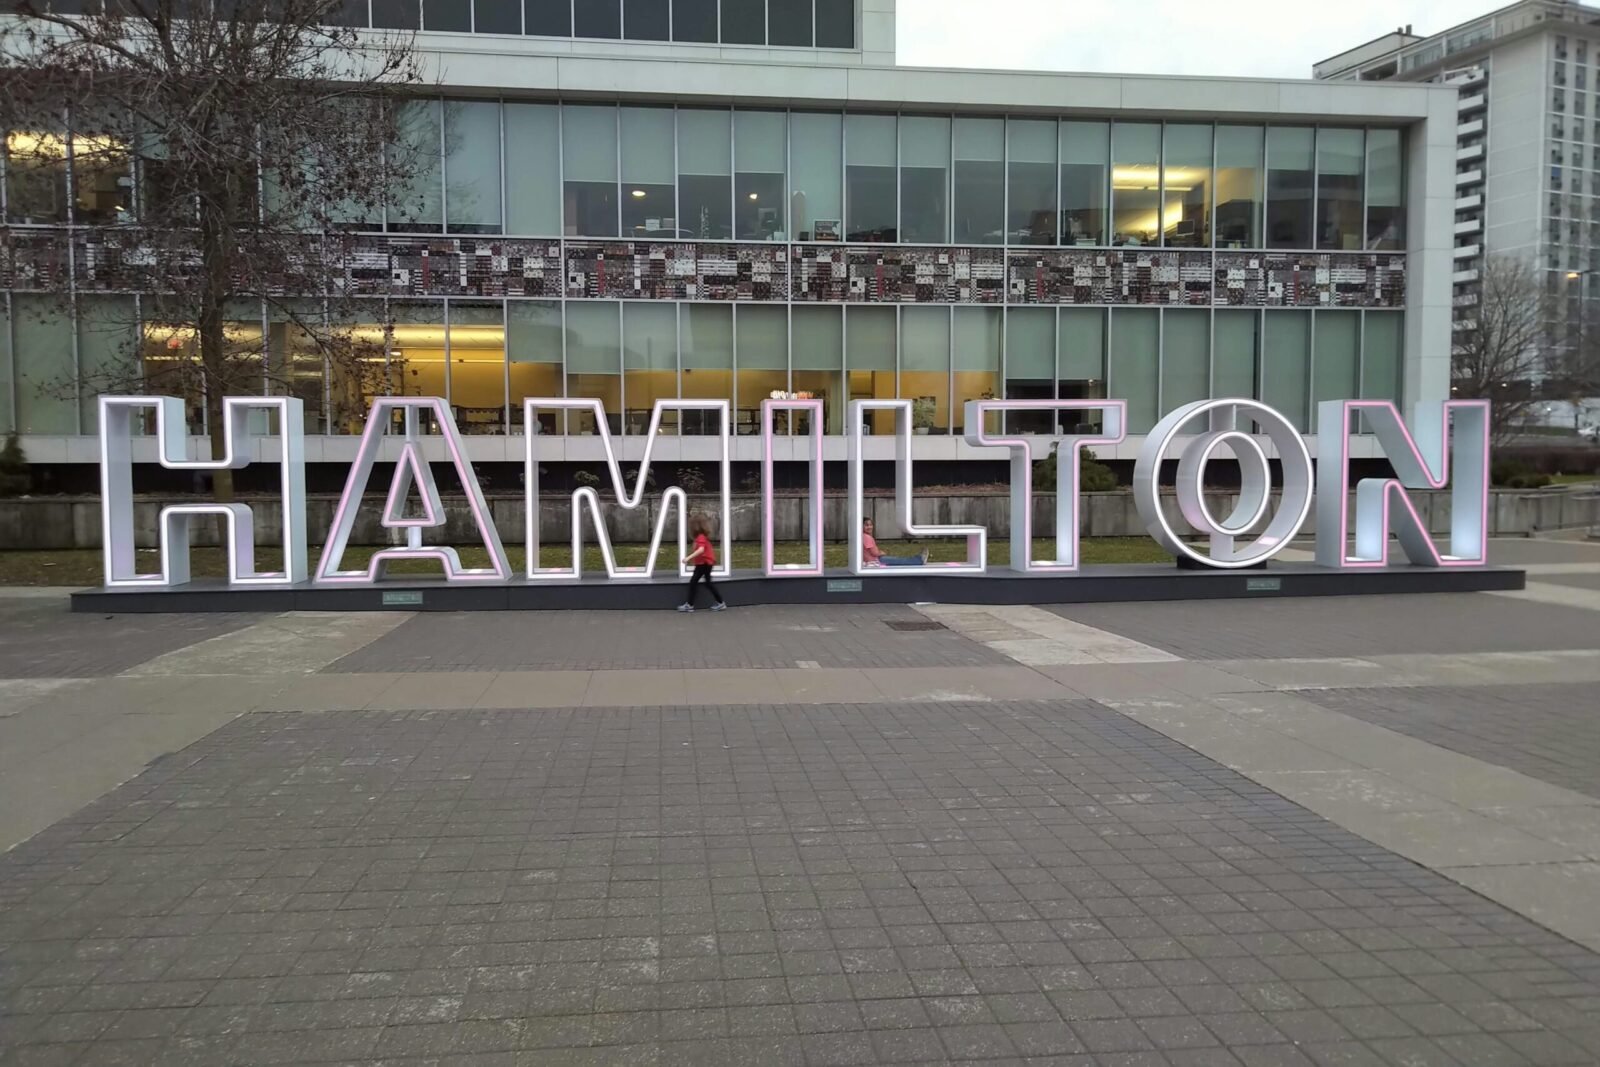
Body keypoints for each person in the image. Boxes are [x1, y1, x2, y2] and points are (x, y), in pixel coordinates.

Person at [678, 516, 726, 612]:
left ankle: (690, 605)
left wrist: (688, 558)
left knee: (694, 582)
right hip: (705, 563)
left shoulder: (700, 537)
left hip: (704, 563)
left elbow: (701, 550)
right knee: (707, 583)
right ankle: (720, 603)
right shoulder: (701, 537)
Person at [862, 518, 930, 567]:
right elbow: (875, 553)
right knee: (900, 560)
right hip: (876, 561)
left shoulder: (861, 536)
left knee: (898, 559)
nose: (869, 527)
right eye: (867, 525)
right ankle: (919, 560)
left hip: (873, 560)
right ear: (861, 526)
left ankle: (917, 558)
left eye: (871, 525)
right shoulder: (867, 537)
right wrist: (881, 552)